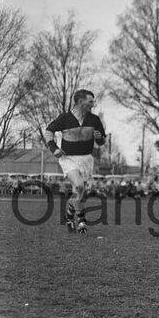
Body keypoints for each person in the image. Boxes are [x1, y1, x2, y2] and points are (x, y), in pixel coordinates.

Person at [42, 89, 106, 234]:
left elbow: (101, 142)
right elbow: (49, 131)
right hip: (68, 159)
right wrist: (53, 148)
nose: (93, 104)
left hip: (86, 159)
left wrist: (99, 138)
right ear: (80, 102)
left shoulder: (94, 120)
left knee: (78, 192)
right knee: (79, 186)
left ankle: (69, 216)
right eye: (90, 102)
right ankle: (81, 220)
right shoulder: (65, 118)